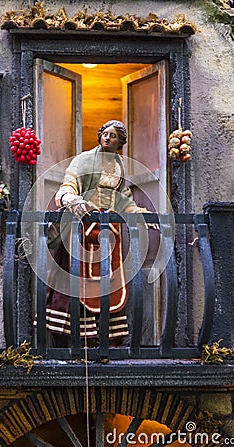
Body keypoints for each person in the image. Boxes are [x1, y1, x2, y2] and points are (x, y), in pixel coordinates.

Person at [46, 120, 157, 347]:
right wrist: (70, 198)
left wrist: (138, 213)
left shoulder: (118, 166)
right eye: (105, 133)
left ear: (120, 143)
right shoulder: (84, 159)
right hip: (83, 229)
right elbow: (70, 183)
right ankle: (73, 342)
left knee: (109, 283)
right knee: (76, 284)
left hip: (109, 233)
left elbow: (122, 196)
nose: (107, 138)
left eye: (113, 136)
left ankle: (105, 340)